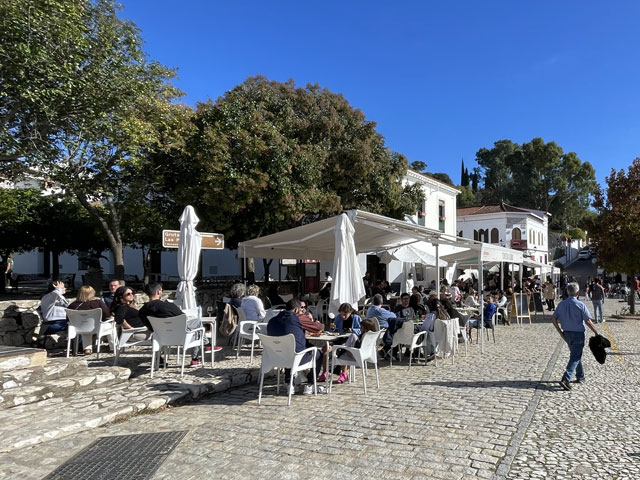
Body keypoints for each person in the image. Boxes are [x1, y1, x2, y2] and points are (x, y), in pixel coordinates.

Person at [138, 282, 210, 365]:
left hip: (160, 338)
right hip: (181, 337)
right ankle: (198, 354)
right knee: (197, 322)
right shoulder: (168, 306)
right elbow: (183, 318)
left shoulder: (142, 311)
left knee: (155, 333)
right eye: (162, 290)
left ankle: (158, 360)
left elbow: (150, 327)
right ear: (158, 292)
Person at [267, 298, 323, 395]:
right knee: (318, 353)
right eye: (301, 309)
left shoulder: (272, 321)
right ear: (296, 309)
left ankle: (289, 383)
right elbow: (318, 328)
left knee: (288, 349)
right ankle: (310, 384)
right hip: (296, 358)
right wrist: (313, 321)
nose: (302, 311)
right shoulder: (298, 318)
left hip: (276, 357)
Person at [552, 282, 599, 390]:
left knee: (575, 354)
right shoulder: (580, 305)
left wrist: (560, 331)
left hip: (567, 333)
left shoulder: (561, 304)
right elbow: (587, 321)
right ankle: (566, 378)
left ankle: (580, 376)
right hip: (578, 334)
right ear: (577, 293)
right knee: (575, 356)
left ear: (567, 292)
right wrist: (596, 332)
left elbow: (553, 318)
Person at [67, 285, 111, 355]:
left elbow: (68, 318)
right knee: (111, 325)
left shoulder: (72, 305)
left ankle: (87, 349)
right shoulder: (98, 302)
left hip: (79, 328)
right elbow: (107, 314)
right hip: (97, 327)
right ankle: (113, 347)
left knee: (85, 326)